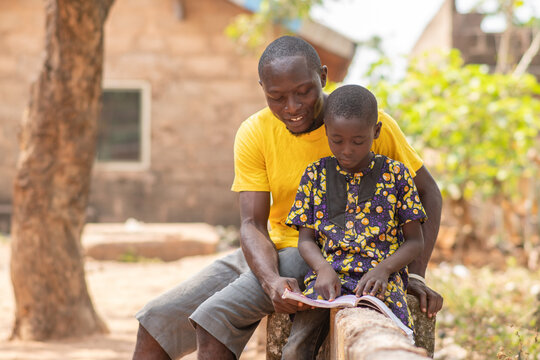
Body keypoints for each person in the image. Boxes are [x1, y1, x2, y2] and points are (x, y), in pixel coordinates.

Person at [132, 36, 443, 360]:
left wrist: (414, 275)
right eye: (276, 97)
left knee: (214, 319)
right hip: (265, 251)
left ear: (322, 77)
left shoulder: (361, 126)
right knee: (156, 320)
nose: (292, 107)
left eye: (303, 92)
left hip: (316, 253)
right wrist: (270, 281)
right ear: (262, 88)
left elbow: (427, 193)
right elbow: (252, 224)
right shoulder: (255, 132)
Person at [281, 85, 428, 359]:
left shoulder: (397, 175)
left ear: (376, 132)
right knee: (294, 350)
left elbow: (415, 241)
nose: (346, 150)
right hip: (328, 281)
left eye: (358, 141)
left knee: (388, 336)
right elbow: (306, 240)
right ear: (326, 131)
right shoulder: (315, 175)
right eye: (337, 140)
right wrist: (322, 268)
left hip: (380, 283)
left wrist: (384, 270)